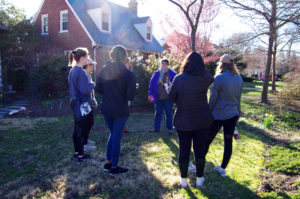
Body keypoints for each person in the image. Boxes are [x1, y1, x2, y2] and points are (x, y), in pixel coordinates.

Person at [169, 52, 214, 188]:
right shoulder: (206, 77)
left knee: (184, 150)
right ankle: (199, 179)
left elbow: (171, 99)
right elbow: (211, 78)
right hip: (202, 119)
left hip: (184, 119)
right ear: (201, 63)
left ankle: (183, 180)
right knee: (200, 150)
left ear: (186, 63)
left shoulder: (179, 78)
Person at [95, 45, 136, 176]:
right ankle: (114, 167)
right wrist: (134, 87)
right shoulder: (128, 74)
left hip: (106, 107)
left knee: (113, 135)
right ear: (124, 57)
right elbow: (130, 96)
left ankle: (108, 163)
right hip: (120, 109)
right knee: (116, 137)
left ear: (112, 55)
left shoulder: (104, 69)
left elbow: (98, 89)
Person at [205, 54, 243, 177]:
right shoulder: (239, 78)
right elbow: (239, 98)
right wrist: (238, 112)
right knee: (228, 142)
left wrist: (207, 113)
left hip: (218, 115)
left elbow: (212, 99)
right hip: (233, 114)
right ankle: (222, 168)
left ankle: (195, 165)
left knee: (207, 140)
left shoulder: (219, 78)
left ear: (222, 64)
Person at [68, 47, 94, 163]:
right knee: (81, 129)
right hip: (81, 104)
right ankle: (80, 156)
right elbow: (85, 90)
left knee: (77, 129)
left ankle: (77, 153)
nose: (88, 59)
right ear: (82, 58)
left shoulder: (73, 70)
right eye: (87, 57)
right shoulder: (81, 72)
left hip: (74, 102)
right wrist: (92, 85)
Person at [148, 59, 176, 134]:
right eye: (162, 64)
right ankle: (156, 128)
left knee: (168, 114)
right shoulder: (156, 73)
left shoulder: (172, 74)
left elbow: (175, 85)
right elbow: (151, 84)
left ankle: (170, 128)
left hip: (167, 98)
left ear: (168, 65)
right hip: (158, 97)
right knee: (158, 113)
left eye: (164, 64)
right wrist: (150, 94)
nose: (163, 65)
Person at [82, 58, 98, 152]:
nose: (93, 66)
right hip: (85, 103)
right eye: (91, 65)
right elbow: (86, 89)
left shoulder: (87, 74)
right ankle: (84, 144)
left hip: (88, 103)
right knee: (87, 123)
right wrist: (92, 85)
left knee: (89, 122)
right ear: (87, 65)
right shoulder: (84, 75)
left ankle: (86, 140)